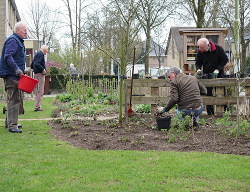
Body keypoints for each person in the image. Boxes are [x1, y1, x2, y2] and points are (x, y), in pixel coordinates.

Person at [0, 21, 27, 133]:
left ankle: (10, 123)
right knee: (14, 100)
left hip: (13, 74)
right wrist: (17, 70)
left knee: (12, 99)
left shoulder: (16, 40)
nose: (26, 32)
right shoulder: (13, 40)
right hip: (12, 75)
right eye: (24, 30)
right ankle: (12, 126)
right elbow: (8, 56)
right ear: (17, 30)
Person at [195, 38, 229, 115]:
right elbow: (197, 62)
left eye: (202, 48)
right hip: (206, 75)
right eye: (199, 48)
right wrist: (198, 69)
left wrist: (218, 69)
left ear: (208, 45)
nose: (201, 50)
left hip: (219, 75)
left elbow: (225, 59)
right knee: (208, 94)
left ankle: (224, 113)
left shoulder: (218, 49)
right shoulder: (200, 51)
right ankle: (210, 113)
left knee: (221, 93)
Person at [32, 45, 49, 111]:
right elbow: (36, 63)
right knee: (40, 90)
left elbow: (33, 63)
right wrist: (43, 70)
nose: (47, 51)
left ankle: (37, 105)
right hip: (40, 74)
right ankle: (37, 106)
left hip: (36, 73)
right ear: (44, 49)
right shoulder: (40, 54)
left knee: (37, 90)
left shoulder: (37, 54)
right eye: (47, 50)